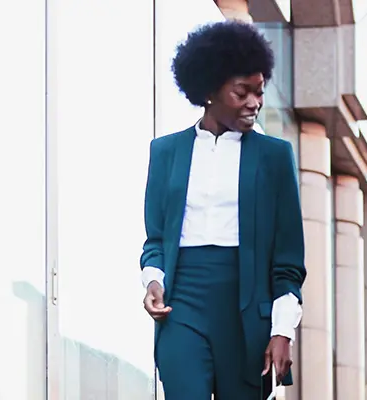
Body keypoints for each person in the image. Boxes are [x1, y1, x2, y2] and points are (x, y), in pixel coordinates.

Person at [140, 21, 306, 399]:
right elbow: (156, 239)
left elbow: (288, 260)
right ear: (209, 90)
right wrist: (153, 281)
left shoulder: (274, 157)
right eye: (241, 92)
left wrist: (282, 330)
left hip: (247, 311)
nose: (254, 103)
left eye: (259, 92)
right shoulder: (165, 153)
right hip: (182, 304)